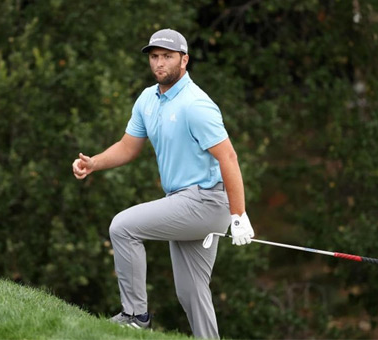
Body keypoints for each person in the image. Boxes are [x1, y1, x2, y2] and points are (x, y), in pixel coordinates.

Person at [72, 28, 254, 339]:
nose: (159, 63)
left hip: (206, 202)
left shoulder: (196, 104)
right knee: (192, 292)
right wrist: (94, 163)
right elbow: (129, 146)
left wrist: (238, 215)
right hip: (183, 200)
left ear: (184, 60)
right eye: (155, 57)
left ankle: (135, 315)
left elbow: (229, 158)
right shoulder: (147, 99)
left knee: (122, 227)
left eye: (167, 57)